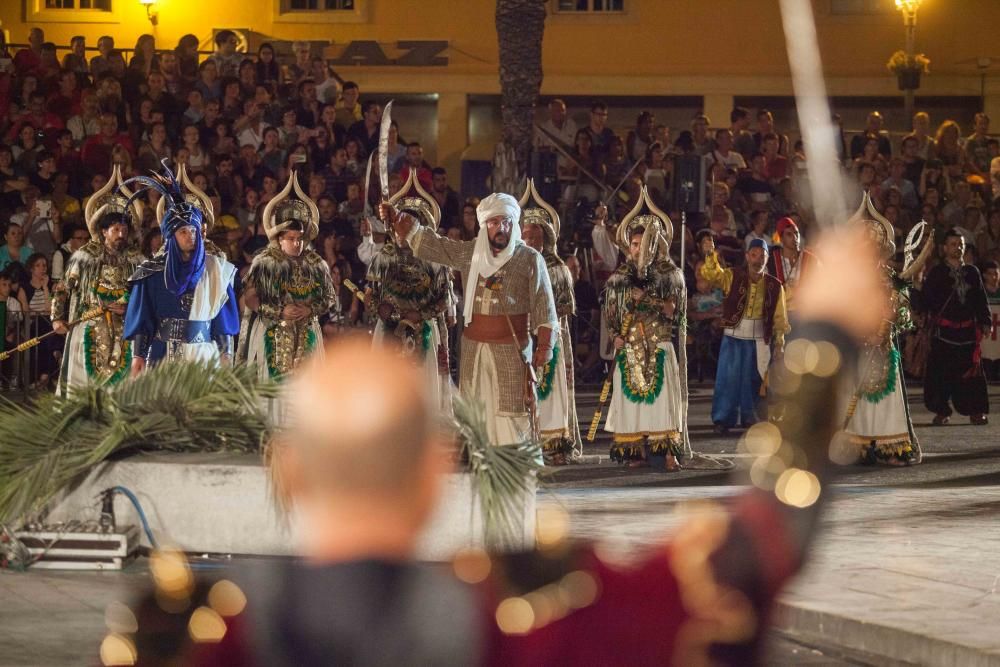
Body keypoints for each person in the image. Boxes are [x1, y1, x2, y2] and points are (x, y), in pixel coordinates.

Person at [118, 226, 889, 667]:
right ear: (436, 471)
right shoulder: (555, 620)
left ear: (286, 469)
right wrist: (824, 338)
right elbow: (761, 544)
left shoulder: (183, 646)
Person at [382, 192, 558, 449]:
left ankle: (515, 476)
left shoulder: (530, 258)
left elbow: (545, 305)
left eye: (507, 221)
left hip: (512, 352)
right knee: (477, 417)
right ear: (484, 224)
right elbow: (436, 245)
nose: (501, 228)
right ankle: (485, 473)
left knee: (512, 414)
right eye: (494, 222)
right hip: (474, 352)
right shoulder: (471, 253)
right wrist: (398, 219)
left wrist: (546, 346)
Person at [840, 195, 932, 466]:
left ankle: (887, 445)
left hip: (882, 345)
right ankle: (852, 446)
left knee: (882, 397)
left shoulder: (891, 278)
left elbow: (902, 314)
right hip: (855, 345)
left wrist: (885, 324)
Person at [122, 164, 240, 371]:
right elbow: (143, 317)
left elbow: (223, 322)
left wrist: (226, 354)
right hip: (162, 354)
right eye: (183, 232)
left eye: (193, 231)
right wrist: (138, 355)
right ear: (171, 236)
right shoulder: (152, 272)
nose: (190, 237)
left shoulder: (215, 270)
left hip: (203, 354)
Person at [602, 187, 687, 470]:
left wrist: (648, 298)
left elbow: (672, 311)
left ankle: (668, 453)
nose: (640, 249)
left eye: (646, 243)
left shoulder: (669, 274)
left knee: (663, 400)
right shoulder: (621, 277)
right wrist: (615, 335)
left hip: (659, 341)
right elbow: (611, 311)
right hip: (630, 343)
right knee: (631, 400)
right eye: (635, 244)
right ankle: (634, 451)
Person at [51, 167, 145, 393]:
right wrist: (57, 319)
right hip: (89, 323)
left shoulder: (137, 259)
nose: (121, 234)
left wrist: (129, 305)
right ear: (103, 232)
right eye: (115, 229)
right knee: (83, 385)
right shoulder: (84, 257)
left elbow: (144, 293)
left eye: (124, 229)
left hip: (125, 328)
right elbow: (63, 289)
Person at [367, 171, 453, 413]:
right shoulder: (383, 257)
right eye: (397, 225)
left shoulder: (434, 259)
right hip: (388, 330)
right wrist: (380, 309)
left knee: (422, 391)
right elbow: (370, 294)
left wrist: (421, 315)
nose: (400, 232)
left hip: (423, 330)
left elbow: (445, 298)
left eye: (408, 227)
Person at [240, 171, 334, 383]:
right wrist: (279, 311)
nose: (296, 243)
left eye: (300, 238)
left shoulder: (316, 263)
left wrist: (310, 309)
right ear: (279, 239)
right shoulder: (265, 263)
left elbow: (329, 297)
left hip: (307, 332)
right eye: (290, 238)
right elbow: (251, 298)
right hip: (272, 332)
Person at [700, 237, 789, 434]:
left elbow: (780, 317)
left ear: (767, 259)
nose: (758, 260)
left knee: (754, 380)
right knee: (728, 378)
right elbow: (712, 275)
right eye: (754, 255)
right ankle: (723, 418)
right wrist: (709, 254)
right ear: (748, 256)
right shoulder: (732, 276)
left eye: (762, 256)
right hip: (733, 337)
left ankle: (752, 418)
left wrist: (780, 343)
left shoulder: (775, 286)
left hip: (758, 340)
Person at [519, 179, 578, 464]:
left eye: (534, 235)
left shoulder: (558, 269)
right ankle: (528, 442)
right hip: (522, 335)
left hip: (551, 335)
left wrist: (545, 316)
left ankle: (556, 444)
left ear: (546, 237)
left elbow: (567, 305)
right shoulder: (515, 265)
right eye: (525, 235)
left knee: (552, 389)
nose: (529, 240)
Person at [921, 228, 993, 425]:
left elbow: (980, 299)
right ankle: (942, 410)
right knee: (940, 374)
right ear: (944, 248)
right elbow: (926, 300)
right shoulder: (937, 273)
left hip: (968, 334)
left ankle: (976, 411)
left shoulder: (972, 272)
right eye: (953, 244)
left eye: (960, 244)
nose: (957, 248)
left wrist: (985, 321)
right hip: (944, 334)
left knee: (972, 375)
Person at [766, 217, 817, 309]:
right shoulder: (770, 261)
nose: (795, 238)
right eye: (789, 234)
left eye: (796, 233)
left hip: (805, 313)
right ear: (781, 239)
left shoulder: (811, 260)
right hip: (779, 314)